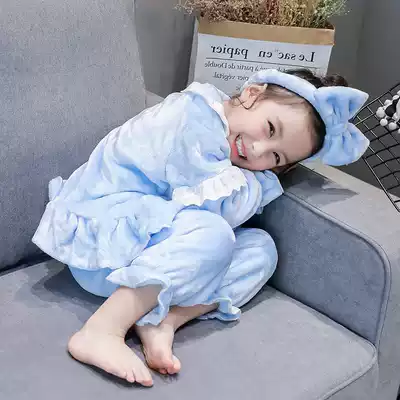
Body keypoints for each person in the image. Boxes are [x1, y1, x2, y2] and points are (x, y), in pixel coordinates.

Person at [32, 68, 370, 387]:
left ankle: (162, 320)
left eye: (276, 158)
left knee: (261, 249)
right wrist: (259, 184)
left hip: (147, 247)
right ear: (252, 94)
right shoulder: (195, 118)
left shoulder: (225, 142)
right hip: (104, 245)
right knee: (214, 235)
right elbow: (216, 211)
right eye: (269, 129)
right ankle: (102, 330)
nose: (258, 151)